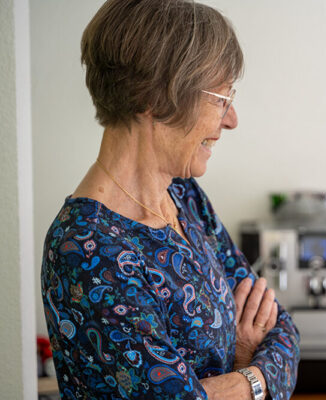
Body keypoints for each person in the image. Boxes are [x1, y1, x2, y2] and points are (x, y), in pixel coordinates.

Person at [40, 1, 300, 399]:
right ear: (156, 96)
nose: (231, 120)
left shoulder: (184, 195)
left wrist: (239, 378)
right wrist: (248, 363)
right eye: (220, 99)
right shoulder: (86, 249)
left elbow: (282, 330)